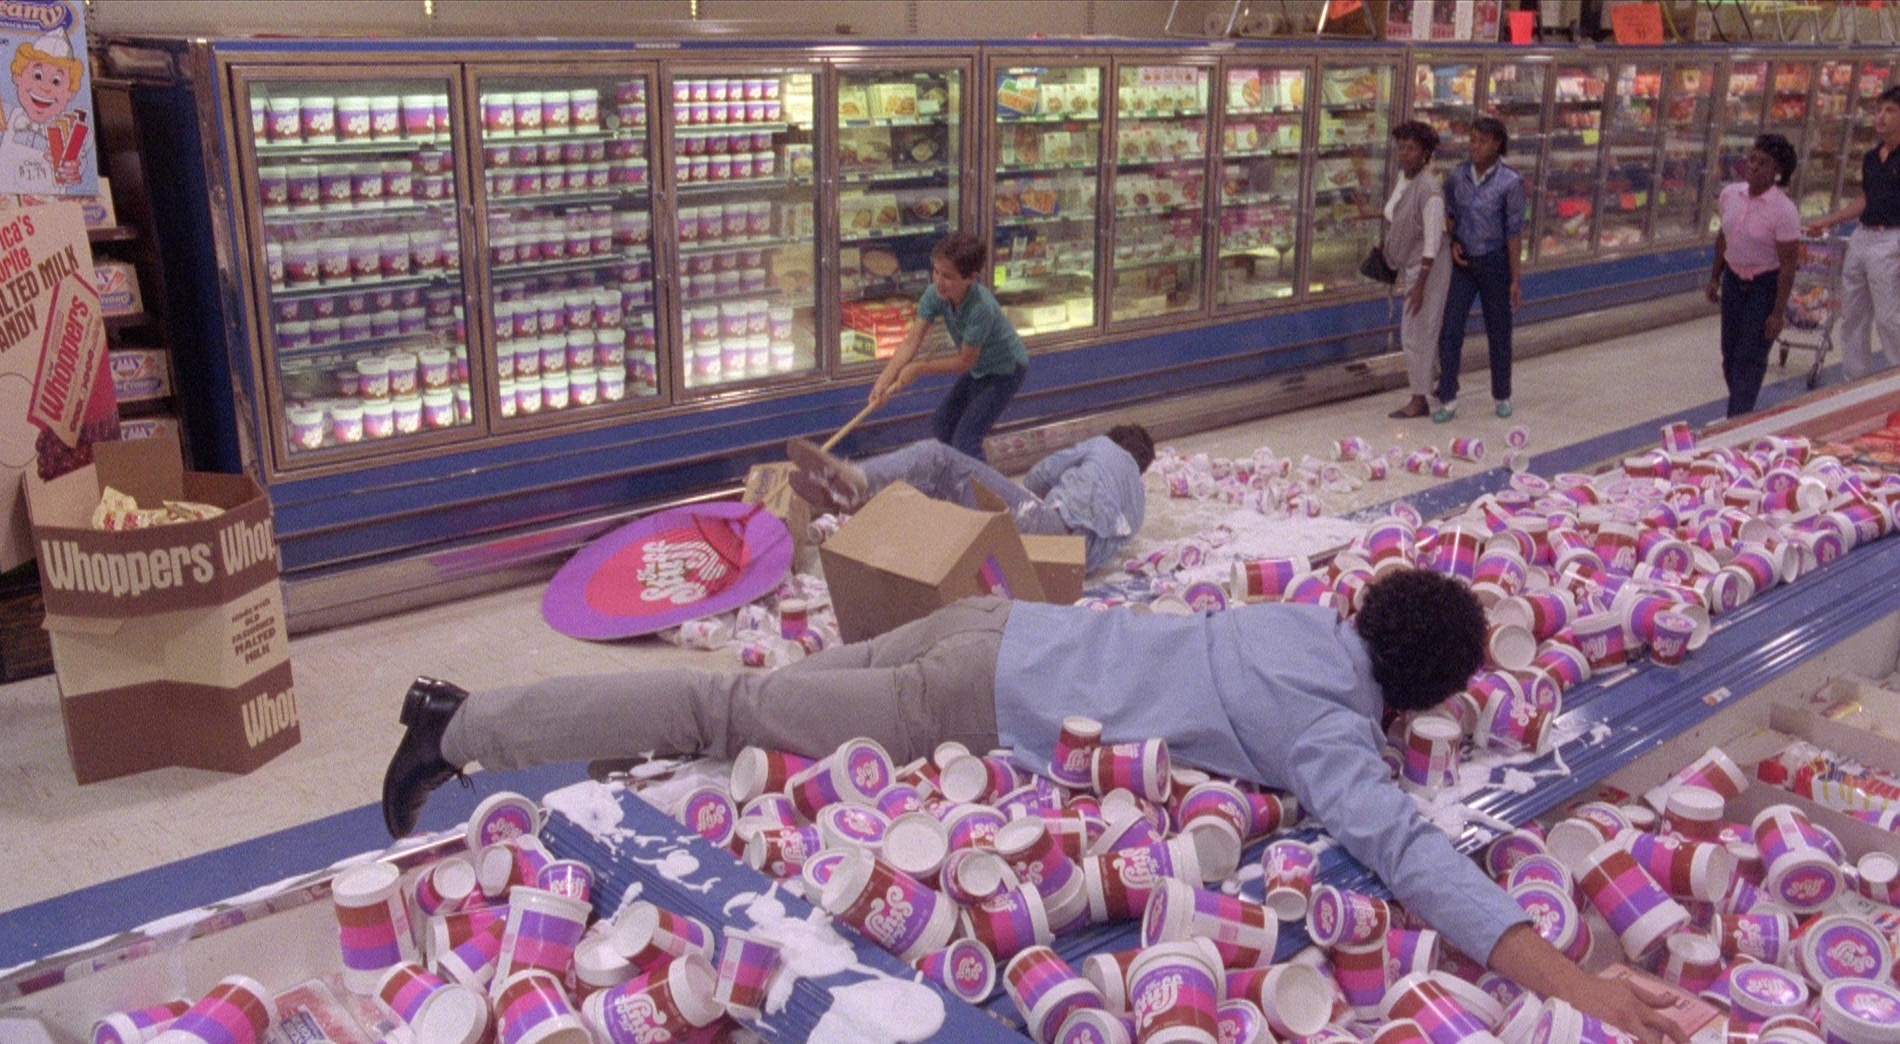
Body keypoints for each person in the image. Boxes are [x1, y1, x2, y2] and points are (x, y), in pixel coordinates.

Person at [381, 570, 1681, 1043]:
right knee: (723, 714)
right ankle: (463, 729)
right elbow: (1406, 855)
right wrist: (1569, 979)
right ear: (1406, 698)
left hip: (1002, 620)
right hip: (973, 701)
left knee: (766, 702)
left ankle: (489, 726)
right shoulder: (1333, 731)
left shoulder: (1301, 625)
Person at [785, 424, 1153, 575]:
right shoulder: (1139, 503)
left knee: (939, 459)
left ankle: (860, 482)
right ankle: (868, 501)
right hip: (1068, 563)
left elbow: (1042, 474)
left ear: (1117, 439)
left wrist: (1025, 495)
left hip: (1048, 527)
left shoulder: (1104, 447)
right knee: (951, 489)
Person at [869, 231, 1028, 462]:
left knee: (966, 442)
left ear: (971, 278)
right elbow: (912, 340)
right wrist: (884, 381)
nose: (939, 281)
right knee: (942, 426)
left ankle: (986, 495)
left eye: (948, 276)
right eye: (936, 271)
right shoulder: (936, 294)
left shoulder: (980, 308)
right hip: (980, 369)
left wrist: (919, 368)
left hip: (1005, 370)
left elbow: (966, 361)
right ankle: (953, 483)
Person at [1434, 116, 1526, 424]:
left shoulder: (1509, 183)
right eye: (1472, 140)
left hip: (1494, 261)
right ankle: (1447, 395)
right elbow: (1449, 214)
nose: (1475, 146)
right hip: (1464, 263)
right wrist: (1453, 241)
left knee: (1498, 331)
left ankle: (1502, 394)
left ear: (1497, 144)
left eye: (1482, 141)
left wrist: (1515, 277)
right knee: (1450, 329)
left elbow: (1514, 231)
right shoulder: (1457, 177)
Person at [1806, 85, 1900, 382]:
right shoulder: (1873, 158)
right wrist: (1830, 220)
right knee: (1852, 316)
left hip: (1892, 239)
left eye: (1890, 110)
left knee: (1889, 317)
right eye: (1878, 110)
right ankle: (1855, 380)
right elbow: (1867, 199)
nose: (1881, 117)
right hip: (1863, 237)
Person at [1708, 135, 1801, 418]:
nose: (1754, 167)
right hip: (1734, 282)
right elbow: (1723, 239)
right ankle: (1742, 411)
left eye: (1764, 163)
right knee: (1730, 355)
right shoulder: (1730, 196)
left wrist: (1777, 312)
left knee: (1751, 356)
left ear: (1778, 172)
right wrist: (1715, 277)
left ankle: (1737, 418)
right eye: (1753, 160)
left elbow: (1788, 264)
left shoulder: (1784, 211)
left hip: (1765, 285)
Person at [1382, 120, 1453, 419]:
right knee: (1419, 331)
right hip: (1412, 268)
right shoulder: (1404, 179)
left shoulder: (1429, 190)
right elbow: (1399, 213)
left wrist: (1421, 286)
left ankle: (1418, 398)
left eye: (1412, 148)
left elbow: (1432, 242)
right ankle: (1428, 386)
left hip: (1427, 273)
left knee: (1416, 334)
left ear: (1425, 153)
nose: (1405, 154)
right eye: (1401, 147)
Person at [2, 29, 85, 192]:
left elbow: (81, 167)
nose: (45, 88)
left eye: (56, 81)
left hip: (52, 209)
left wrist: (74, 170)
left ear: (70, 92)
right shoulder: (6, 115)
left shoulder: (70, 130)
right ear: (17, 76)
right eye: (37, 75)